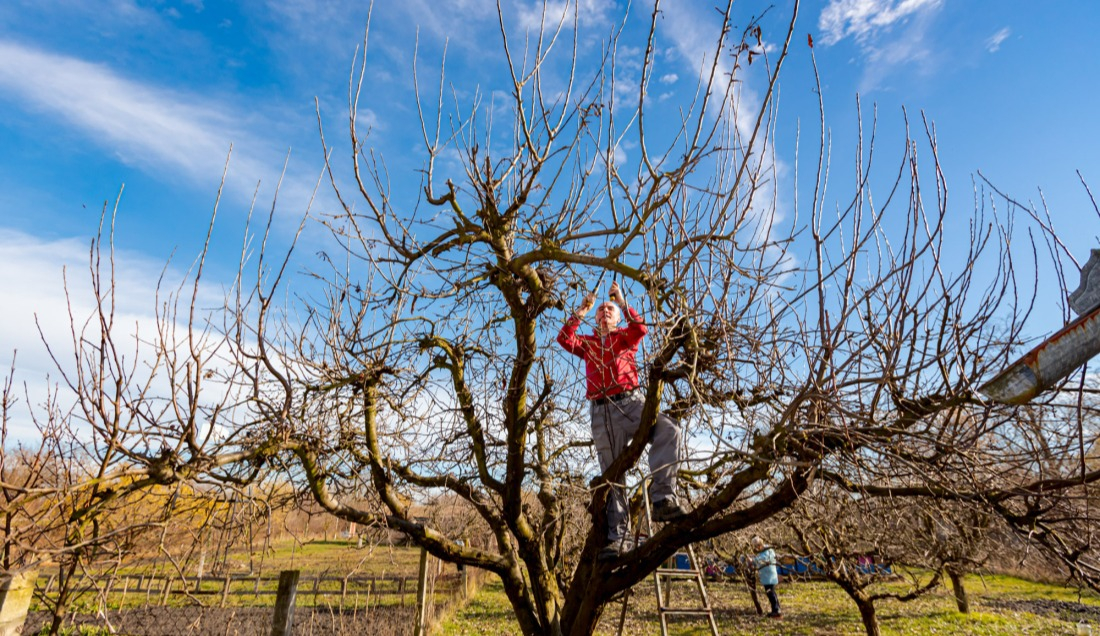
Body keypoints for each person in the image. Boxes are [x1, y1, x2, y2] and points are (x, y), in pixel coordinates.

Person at [557, 281, 687, 561]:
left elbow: (641, 328)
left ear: (617, 317)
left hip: (631, 403)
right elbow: (565, 338)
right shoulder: (589, 343)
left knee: (670, 429)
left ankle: (664, 497)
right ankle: (620, 539)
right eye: (601, 310)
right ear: (595, 318)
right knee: (613, 474)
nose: (605, 311)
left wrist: (623, 301)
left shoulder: (625, 337)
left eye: (610, 309)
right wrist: (581, 309)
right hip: (601, 411)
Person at [752, 536, 782, 619]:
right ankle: (776, 610)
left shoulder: (768, 551)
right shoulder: (763, 552)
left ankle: (776, 610)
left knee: (770, 593)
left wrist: (753, 560)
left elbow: (763, 559)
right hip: (766, 576)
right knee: (771, 593)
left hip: (769, 576)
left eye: (757, 546)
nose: (756, 548)